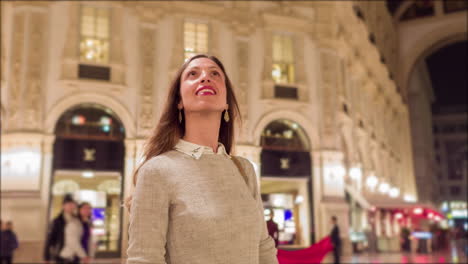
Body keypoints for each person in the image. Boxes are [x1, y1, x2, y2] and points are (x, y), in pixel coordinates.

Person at [126, 54, 278, 264]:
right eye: (193, 74)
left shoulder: (244, 170)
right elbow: (144, 259)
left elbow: (264, 249)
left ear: (226, 102)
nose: (205, 77)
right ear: (179, 101)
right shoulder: (157, 170)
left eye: (215, 73)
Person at [44, 194, 88, 264]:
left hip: (75, 257)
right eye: (68, 204)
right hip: (61, 256)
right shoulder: (57, 221)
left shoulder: (77, 220)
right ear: (63, 206)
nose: (71, 206)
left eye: (73, 204)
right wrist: (46, 257)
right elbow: (50, 239)